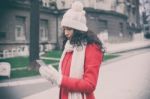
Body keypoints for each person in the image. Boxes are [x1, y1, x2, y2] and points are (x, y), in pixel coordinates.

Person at [39, 1, 104, 99]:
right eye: (64, 29)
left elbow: (90, 85)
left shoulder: (92, 48)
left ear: (78, 29)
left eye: (69, 29)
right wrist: (52, 76)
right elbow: (65, 76)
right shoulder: (69, 46)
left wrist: (60, 79)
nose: (65, 33)